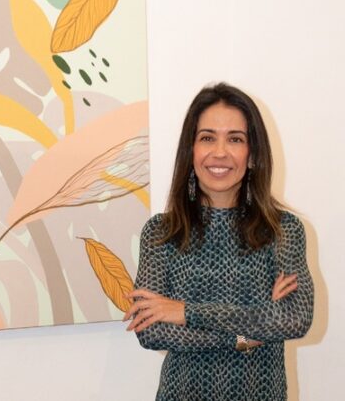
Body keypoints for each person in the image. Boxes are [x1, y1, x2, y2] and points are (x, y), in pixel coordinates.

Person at [124, 83, 313, 400]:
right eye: (207, 138)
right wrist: (248, 333)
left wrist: (186, 312)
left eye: (235, 139)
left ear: (253, 154)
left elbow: (295, 319)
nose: (220, 152)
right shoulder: (161, 232)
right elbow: (151, 331)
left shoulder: (283, 230)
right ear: (191, 151)